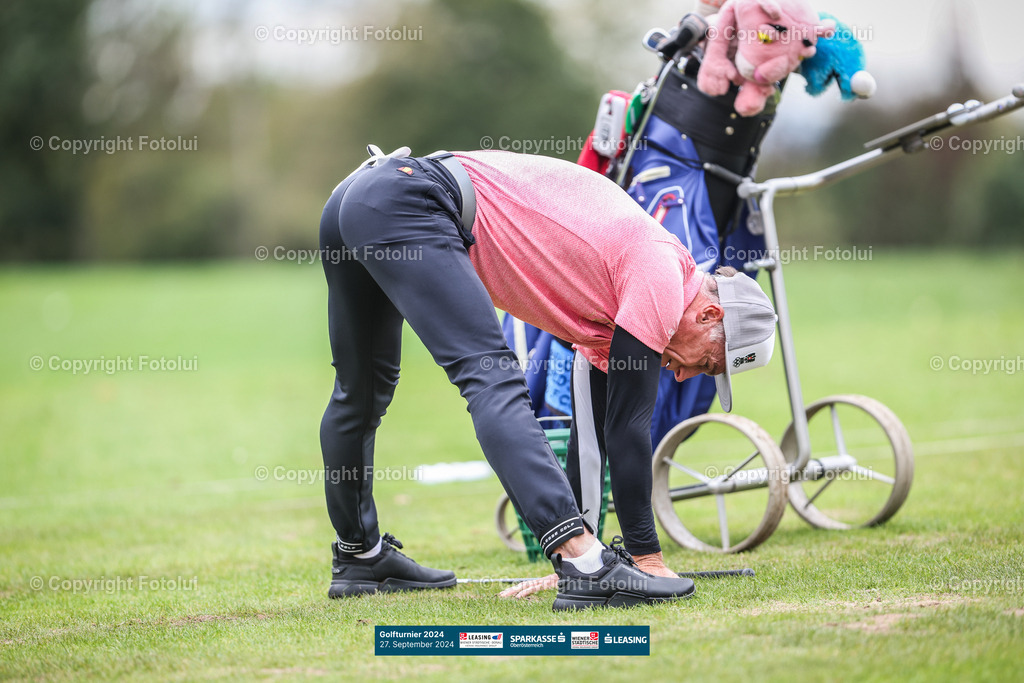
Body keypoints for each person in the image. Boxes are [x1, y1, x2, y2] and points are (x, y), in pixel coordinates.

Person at [317, 146, 776, 611]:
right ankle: (582, 564)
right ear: (709, 313)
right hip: (409, 197)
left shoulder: (627, 305)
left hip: (360, 200)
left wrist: (595, 547)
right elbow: (630, 426)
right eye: (707, 363)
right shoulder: (662, 274)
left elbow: (598, 437)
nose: (684, 375)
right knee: (490, 378)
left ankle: (361, 557)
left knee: (361, 393)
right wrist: (645, 558)